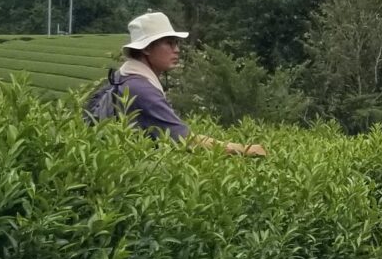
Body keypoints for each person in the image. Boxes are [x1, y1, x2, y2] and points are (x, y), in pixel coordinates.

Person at [91, 11, 264, 156]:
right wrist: (244, 149)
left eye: (176, 43)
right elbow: (185, 139)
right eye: (169, 43)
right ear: (146, 48)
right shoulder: (140, 88)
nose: (177, 49)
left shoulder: (126, 76)